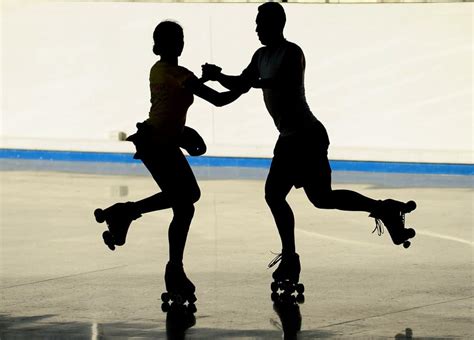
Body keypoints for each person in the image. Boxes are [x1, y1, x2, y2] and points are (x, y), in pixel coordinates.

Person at [202, 2, 416, 286]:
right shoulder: (260, 55)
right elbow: (239, 86)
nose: (256, 28)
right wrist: (214, 79)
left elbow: (276, 82)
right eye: (256, 23)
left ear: (277, 23)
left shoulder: (292, 52)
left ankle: (293, 257)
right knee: (314, 198)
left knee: (292, 196)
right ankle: (383, 210)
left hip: (306, 137)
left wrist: (234, 81)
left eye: (260, 23)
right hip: (291, 138)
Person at [94, 20, 246, 302]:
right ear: (177, 44)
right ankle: (171, 265)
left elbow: (177, 95)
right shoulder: (178, 73)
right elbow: (218, 100)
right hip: (158, 144)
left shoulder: (160, 70)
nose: (181, 42)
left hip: (158, 141)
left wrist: (185, 125)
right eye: (179, 38)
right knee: (185, 203)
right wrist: (244, 85)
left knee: (187, 198)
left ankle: (127, 215)